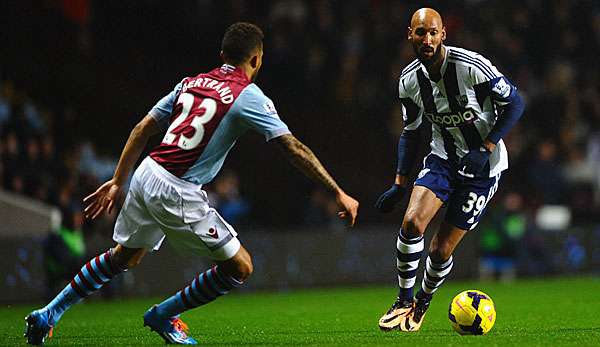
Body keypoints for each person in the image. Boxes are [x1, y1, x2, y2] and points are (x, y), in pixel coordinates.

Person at [25, 22, 359, 345]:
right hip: (177, 188)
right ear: (257, 59)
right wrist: (338, 192)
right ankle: (164, 315)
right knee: (240, 267)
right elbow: (292, 147)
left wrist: (117, 180)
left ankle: (49, 312)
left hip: (146, 172)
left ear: (222, 54)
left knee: (124, 257)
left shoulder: (190, 82)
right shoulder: (248, 94)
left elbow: (141, 129)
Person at [376, 8, 524, 332]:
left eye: (432, 32)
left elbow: (515, 102)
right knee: (412, 222)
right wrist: (400, 183)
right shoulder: (409, 80)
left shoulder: (471, 68)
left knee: (440, 249)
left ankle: (423, 302)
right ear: (409, 35)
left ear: (443, 34)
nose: (426, 39)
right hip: (442, 158)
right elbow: (412, 132)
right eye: (420, 33)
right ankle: (403, 300)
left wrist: (486, 147)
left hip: (484, 170)